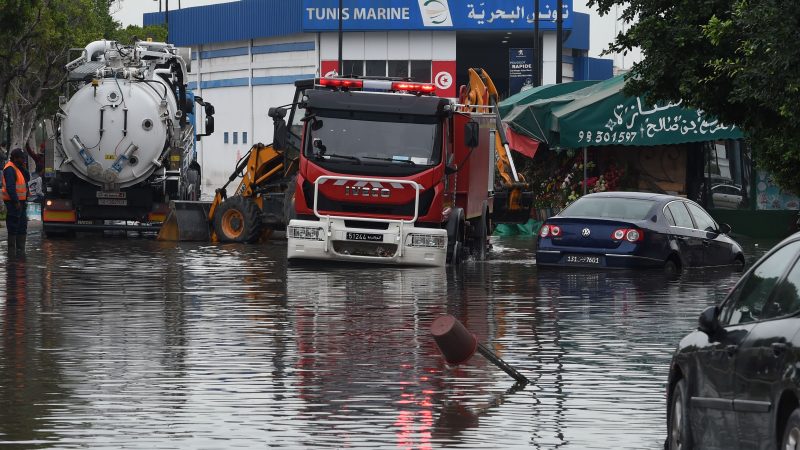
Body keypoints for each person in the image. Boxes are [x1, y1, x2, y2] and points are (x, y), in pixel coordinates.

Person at [2, 148, 30, 254]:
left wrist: (23, 167)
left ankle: (20, 250)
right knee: (13, 225)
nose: (23, 160)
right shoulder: (9, 169)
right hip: (14, 203)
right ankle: (11, 251)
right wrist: (16, 201)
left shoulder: (17, 167)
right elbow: (10, 187)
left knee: (22, 225)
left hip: (21, 202)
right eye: (21, 158)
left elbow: (27, 177)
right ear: (15, 158)